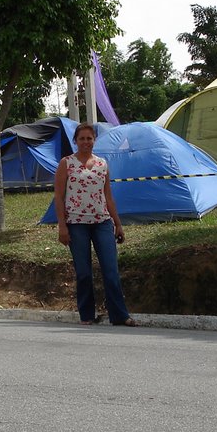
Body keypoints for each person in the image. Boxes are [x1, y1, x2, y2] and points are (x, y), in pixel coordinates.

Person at [54, 122, 136, 326]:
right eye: (81, 138)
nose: (85, 142)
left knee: (110, 270)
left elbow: (108, 196)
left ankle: (119, 315)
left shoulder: (102, 164)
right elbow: (58, 196)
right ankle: (87, 315)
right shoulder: (67, 163)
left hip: (102, 222)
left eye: (89, 138)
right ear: (75, 141)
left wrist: (118, 224)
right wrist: (62, 226)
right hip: (76, 223)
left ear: (94, 140)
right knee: (83, 272)